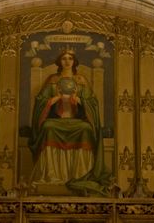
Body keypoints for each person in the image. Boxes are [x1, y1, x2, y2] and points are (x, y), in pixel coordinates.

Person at [29, 50, 110, 195]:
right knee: (48, 127)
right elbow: (41, 101)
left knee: (86, 128)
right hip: (57, 121)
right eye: (64, 59)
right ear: (59, 62)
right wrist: (53, 100)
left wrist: (79, 100)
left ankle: (80, 175)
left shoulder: (81, 80)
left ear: (74, 61)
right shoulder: (53, 79)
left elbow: (92, 103)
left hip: (76, 121)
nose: (67, 61)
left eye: (70, 58)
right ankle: (51, 176)